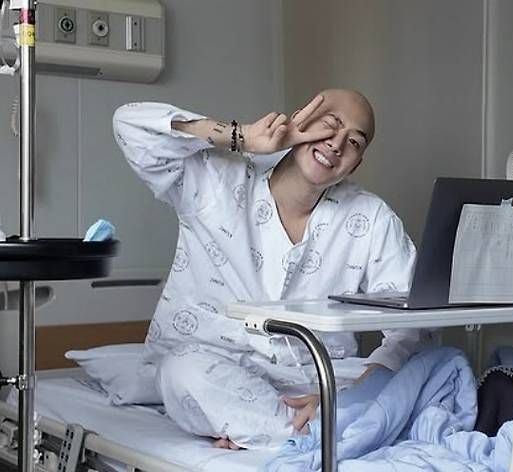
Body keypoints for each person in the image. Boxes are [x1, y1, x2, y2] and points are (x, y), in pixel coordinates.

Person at [112, 89, 419, 450]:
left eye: (354, 142)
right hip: (216, 368)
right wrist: (243, 137)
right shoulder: (216, 178)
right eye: (330, 124)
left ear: (355, 164)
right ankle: (316, 433)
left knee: (429, 371)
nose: (336, 144)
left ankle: (276, 427)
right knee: (181, 371)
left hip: (320, 382)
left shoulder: (371, 218)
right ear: (300, 117)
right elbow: (129, 124)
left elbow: (411, 327)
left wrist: (346, 396)